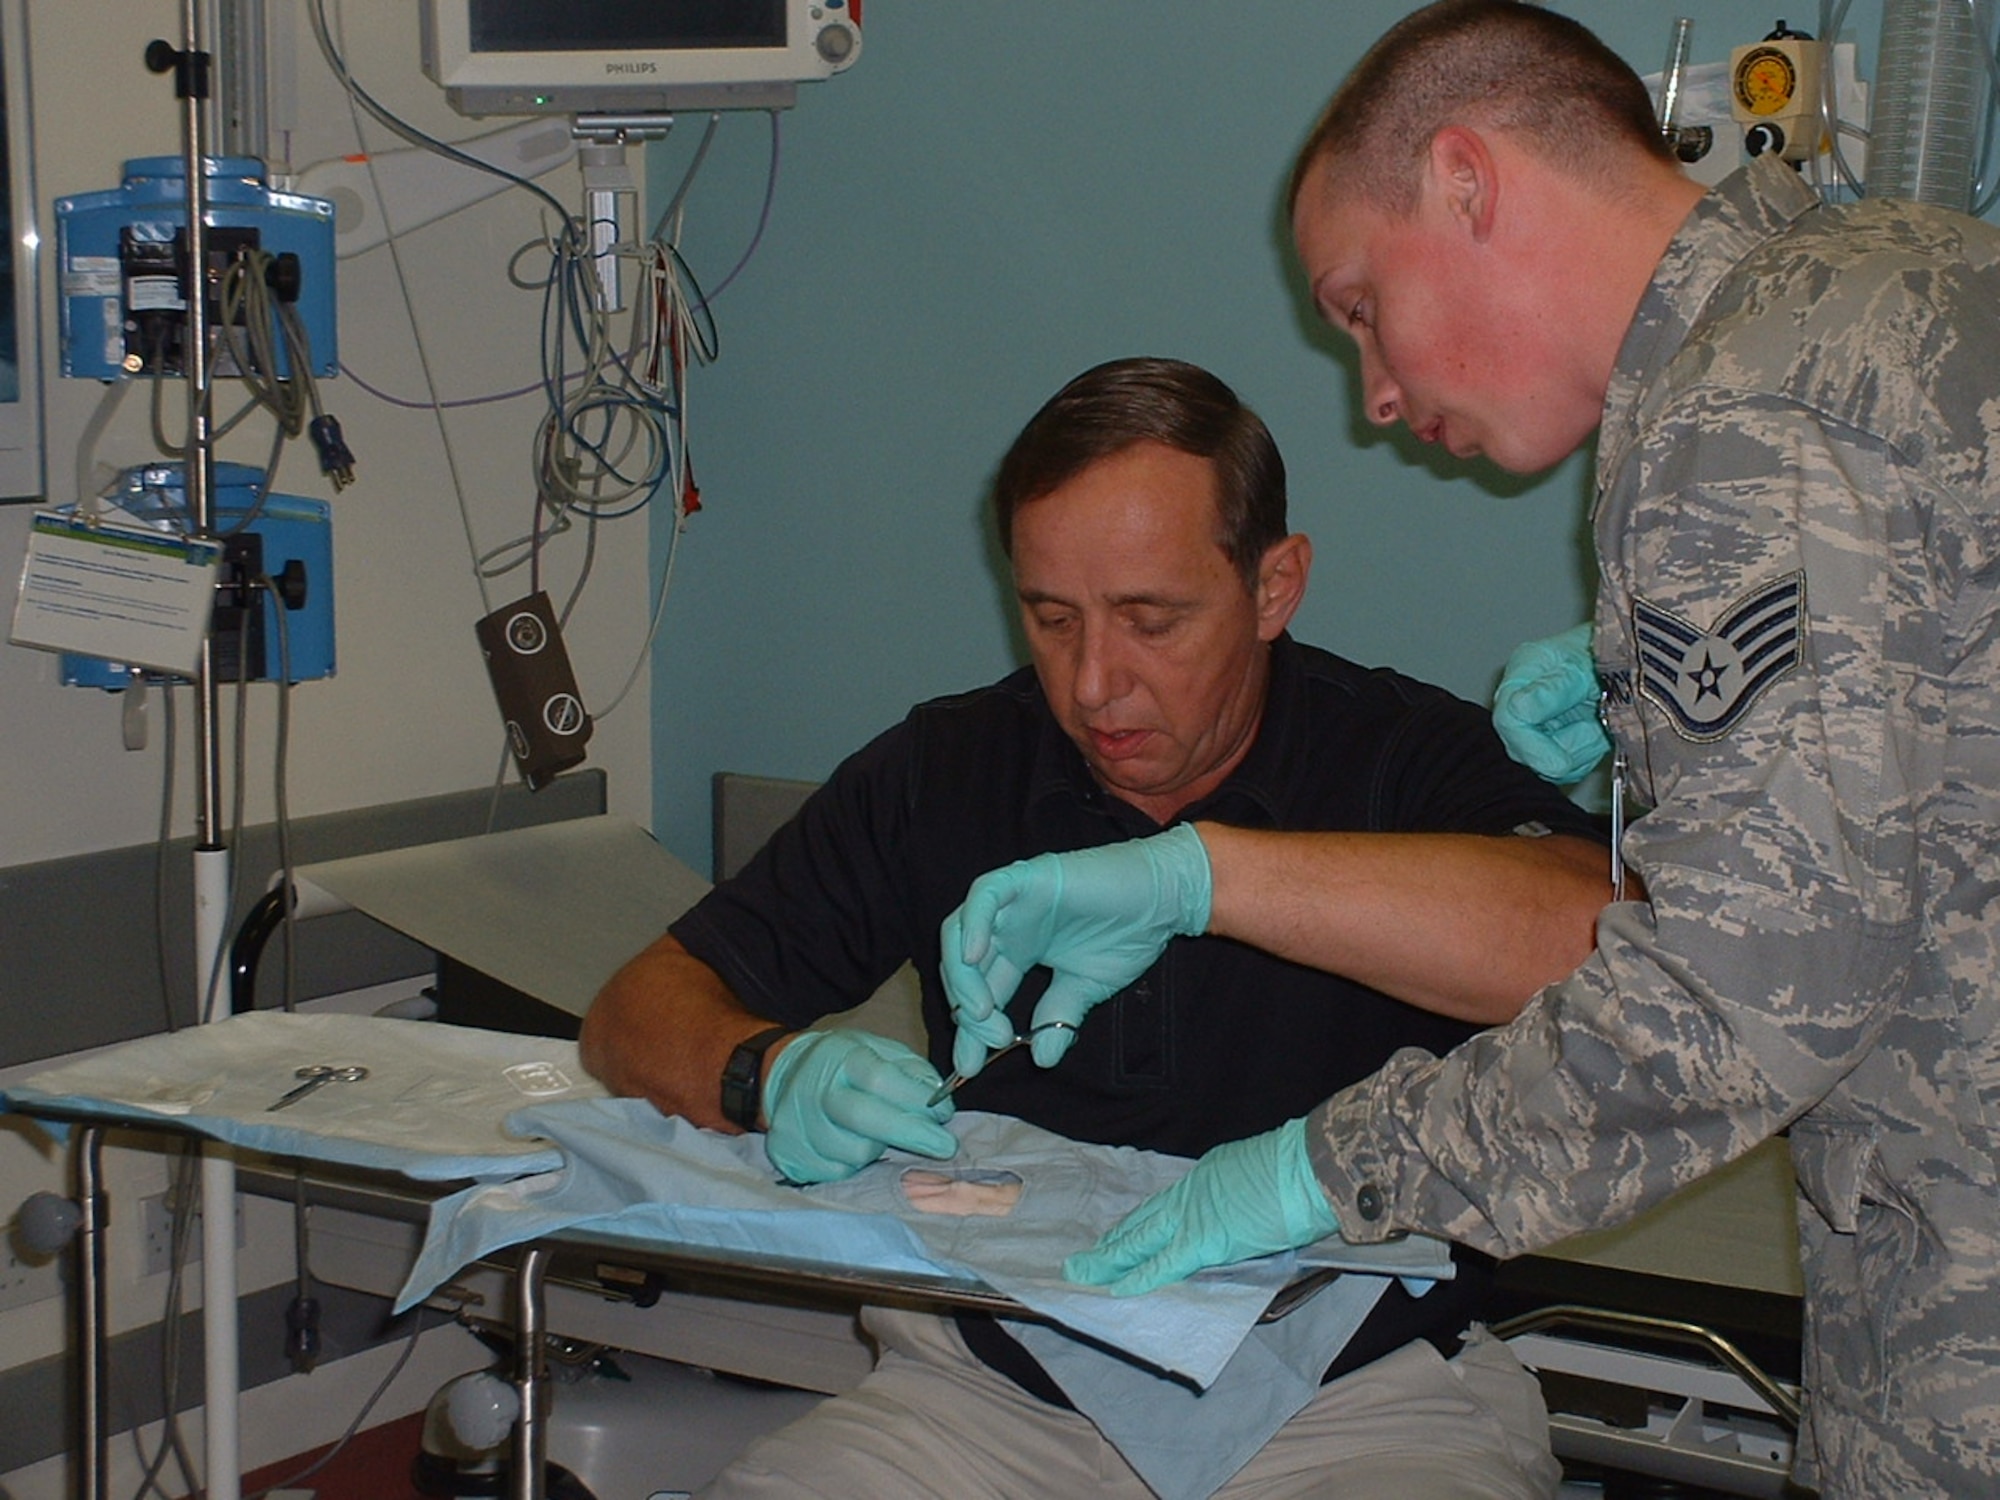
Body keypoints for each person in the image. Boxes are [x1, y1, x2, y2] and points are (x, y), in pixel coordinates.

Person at [941, 4, 2000, 1495]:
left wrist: (1327, 1167)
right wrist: (1655, 688)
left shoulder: (1741, 416)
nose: (1372, 392)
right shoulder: (1906, 276)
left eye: (1363, 305)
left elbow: (1738, 1003)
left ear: (1466, 180)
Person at [580, 355, 1613, 1498]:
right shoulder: (950, 769)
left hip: (1354, 1403)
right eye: (1052, 619)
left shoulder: (1399, 756)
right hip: (987, 1397)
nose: (1093, 686)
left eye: (1150, 620)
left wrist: (1205, 876)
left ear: (1273, 587)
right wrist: (767, 1077)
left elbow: (1598, 943)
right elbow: (636, 1011)